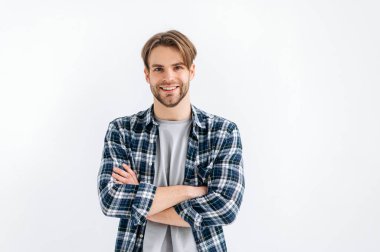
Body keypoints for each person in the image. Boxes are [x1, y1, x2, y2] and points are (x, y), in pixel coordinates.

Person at [97, 30, 245, 252]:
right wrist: (192, 191)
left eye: (178, 67)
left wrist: (139, 195)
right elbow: (110, 200)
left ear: (191, 71)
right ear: (147, 75)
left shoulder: (222, 132)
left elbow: (225, 207)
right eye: (158, 69)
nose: (168, 77)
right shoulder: (122, 131)